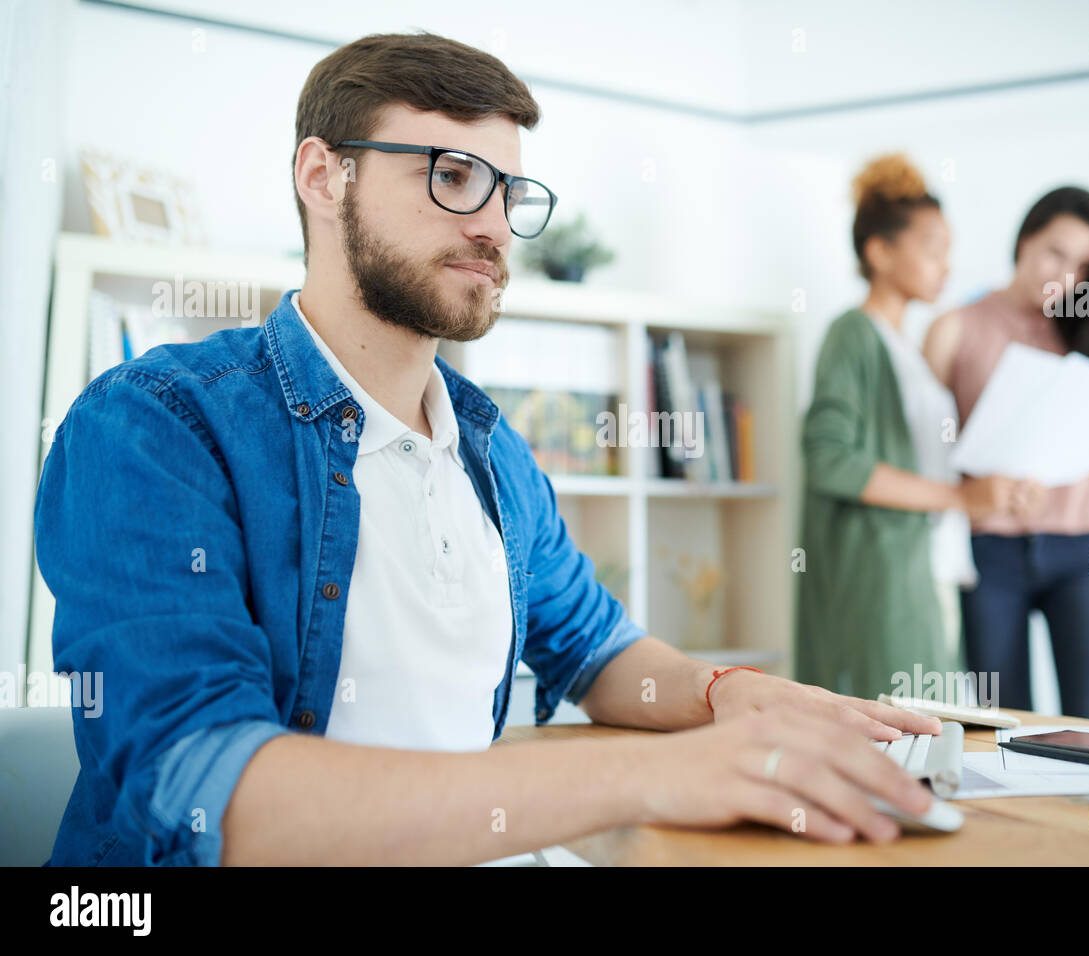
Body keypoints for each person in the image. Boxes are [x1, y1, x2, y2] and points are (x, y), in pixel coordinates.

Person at [34, 31, 944, 866]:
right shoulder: (155, 426)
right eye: (454, 175)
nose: (494, 227)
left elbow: (596, 650)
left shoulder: (491, 453)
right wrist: (652, 777)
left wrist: (723, 696)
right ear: (323, 175)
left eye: (509, 192)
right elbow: (208, 796)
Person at [796, 153, 1034, 704]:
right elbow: (830, 459)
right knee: (900, 737)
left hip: (930, 570)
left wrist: (995, 491)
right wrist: (958, 497)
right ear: (879, 252)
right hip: (879, 580)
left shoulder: (911, 350)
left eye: (947, 252)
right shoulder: (853, 335)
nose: (944, 267)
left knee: (935, 735)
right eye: (931, 250)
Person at [923, 186, 1089, 721]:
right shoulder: (955, 329)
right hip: (991, 556)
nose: (1066, 275)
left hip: (1085, 553)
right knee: (1002, 731)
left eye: (1082, 265)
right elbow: (924, 452)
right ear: (1025, 239)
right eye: (1055, 252)